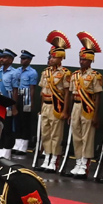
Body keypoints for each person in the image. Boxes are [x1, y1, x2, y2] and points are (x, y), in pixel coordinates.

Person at [67, 32, 103, 178]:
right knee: (76, 134)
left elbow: (97, 96)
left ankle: (85, 164)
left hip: (88, 107)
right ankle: (78, 161)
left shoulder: (95, 76)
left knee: (87, 136)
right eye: (81, 59)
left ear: (90, 61)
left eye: (85, 60)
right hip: (76, 106)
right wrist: (69, 112)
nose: (82, 62)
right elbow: (70, 94)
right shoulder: (74, 75)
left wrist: (95, 115)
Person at [38, 32, 72, 171]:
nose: (51, 59)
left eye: (54, 57)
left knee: (55, 134)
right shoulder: (45, 72)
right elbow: (42, 92)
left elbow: (66, 93)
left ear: (60, 58)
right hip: (45, 105)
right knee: (45, 133)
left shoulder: (65, 73)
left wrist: (65, 110)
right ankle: (46, 157)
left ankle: (54, 160)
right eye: (51, 56)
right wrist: (41, 108)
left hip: (56, 106)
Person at [14, 50, 39, 157]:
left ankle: (23, 146)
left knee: (25, 121)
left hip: (26, 97)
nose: (22, 60)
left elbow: (32, 88)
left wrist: (32, 102)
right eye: (21, 58)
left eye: (25, 59)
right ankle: (17, 144)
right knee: (17, 120)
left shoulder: (32, 72)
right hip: (18, 96)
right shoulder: (17, 71)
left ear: (29, 60)